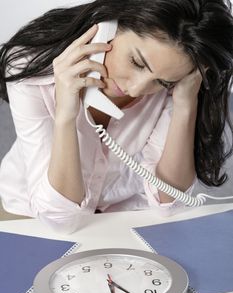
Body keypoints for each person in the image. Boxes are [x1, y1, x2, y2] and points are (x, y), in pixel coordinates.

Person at [0, 0, 233, 233]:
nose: (137, 88)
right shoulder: (27, 65)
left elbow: (169, 203)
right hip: (28, 216)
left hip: (120, 219)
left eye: (162, 82)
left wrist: (185, 102)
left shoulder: (171, 86)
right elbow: (59, 220)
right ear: (108, 27)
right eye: (137, 62)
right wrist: (65, 117)